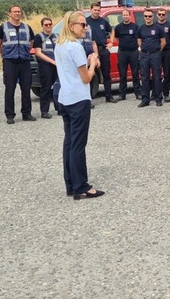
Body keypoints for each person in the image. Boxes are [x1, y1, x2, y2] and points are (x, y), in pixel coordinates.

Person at [55, 11, 105, 200]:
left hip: (65, 97)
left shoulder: (60, 45)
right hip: (78, 98)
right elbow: (86, 78)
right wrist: (92, 63)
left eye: (86, 25)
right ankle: (81, 186)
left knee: (69, 142)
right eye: (82, 25)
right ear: (71, 26)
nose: (86, 28)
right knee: (78, 144)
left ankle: (70, 183)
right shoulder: (75, 47)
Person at [0, 4, 35, 124]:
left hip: (24, 61)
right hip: (10, 62)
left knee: (26, 89)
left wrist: (24, 53)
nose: (17, 13)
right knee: (10, 89)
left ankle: (26, 113)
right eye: (14, 11)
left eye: (19, 11)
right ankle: (10, 115)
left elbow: (31, 43)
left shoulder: (27, 28)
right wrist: (7, 54)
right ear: (9, 13)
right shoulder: (3, 27)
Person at [86, 3, 116, 104]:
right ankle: (88, 99)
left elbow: (112, 30)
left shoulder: (103, 21)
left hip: (103, 50)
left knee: (106, 74)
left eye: (98, 10)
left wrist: (111, 42)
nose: (97, 12)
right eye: (95, 10)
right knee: (90, 75)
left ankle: (109, 96)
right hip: (91, 51)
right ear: (91, 10)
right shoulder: (86, 22)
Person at [137, 8, 166, 107]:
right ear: (144, 17)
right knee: (144, 77)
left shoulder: (158, 28)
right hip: (145, 55)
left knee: (157, 77)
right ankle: (145, 99)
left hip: (155, 54)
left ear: (152, 17)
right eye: (146, 16)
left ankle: (158, 98)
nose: (148, 18)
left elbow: (163, 42)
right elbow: (139, 41)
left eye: (149, 16)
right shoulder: (140, 28)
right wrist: (143, 50)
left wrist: (157, 51)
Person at [110, 9, 141, 100]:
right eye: (124, 15)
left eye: (127, 15)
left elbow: (138, 39)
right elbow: (117, 39)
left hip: (133, 52)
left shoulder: (135, 26)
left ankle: (138, 93)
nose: (125, 16)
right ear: (122, 16)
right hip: (123, 52)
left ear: (129, 15)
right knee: (122, 74)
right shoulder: (118, 27)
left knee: (135, 74)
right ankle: (122, 94)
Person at [33, 17, 58, 119]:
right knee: (46, 88)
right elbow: (38, 52)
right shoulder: (39, 37)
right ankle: (44, 111)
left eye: (50, 24)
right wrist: (51, 61)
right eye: (46, 25)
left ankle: (59, 108)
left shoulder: (56, 36)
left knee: (57, 87)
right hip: (46, 65)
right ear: (42, 26)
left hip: (57, 65)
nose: (48, 26)